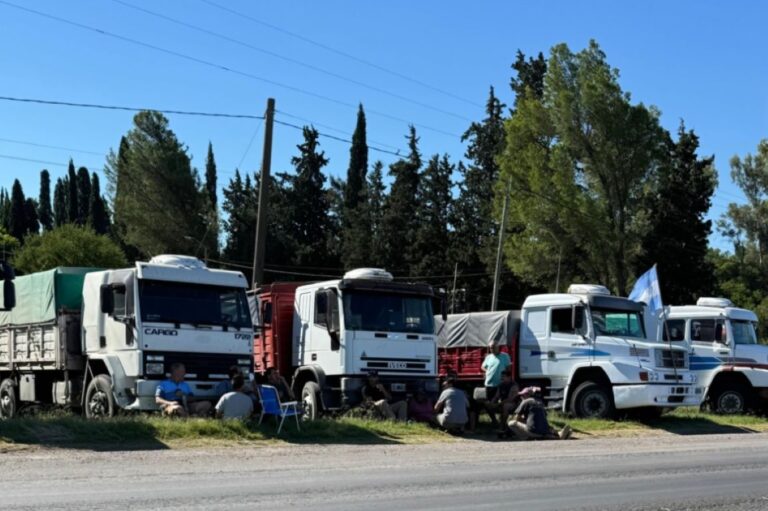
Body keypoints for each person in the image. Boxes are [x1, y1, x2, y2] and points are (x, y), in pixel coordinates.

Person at [507, 387, 571, 440]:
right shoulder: (540, 402)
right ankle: (557, 434)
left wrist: (524, 420)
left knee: (511, 423)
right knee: (542, 426)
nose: (521, 397)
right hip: (544, 430)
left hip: (532, 431)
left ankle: (526, 438)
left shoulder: (526, 401)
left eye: (523, 395)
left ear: (528, 395)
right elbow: (543, 418)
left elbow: (517, 418)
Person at [480, 342, 511, 426]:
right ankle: (494, 420)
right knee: (489, 404)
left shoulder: (505, 356)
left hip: (500, 384)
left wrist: (506, 379)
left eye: (493, 347)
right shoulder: (489, 357)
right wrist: (487, 371)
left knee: (501, 403)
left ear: (498, 347)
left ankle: (502, 422)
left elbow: (508, 368)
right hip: (489, 384)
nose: (492, 349)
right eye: (490, 348)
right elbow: (482, 366)